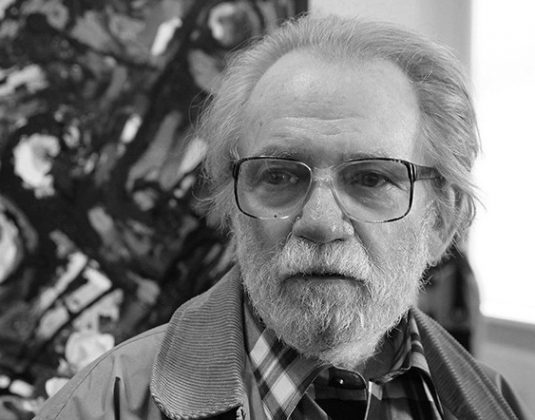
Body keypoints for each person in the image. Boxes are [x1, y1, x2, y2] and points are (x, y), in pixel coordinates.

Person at [34, 14, 529, 420]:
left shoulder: (493, 403)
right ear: (232, 205)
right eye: (278, 176)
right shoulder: (99, 407)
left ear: (441, 220)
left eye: (371, 179)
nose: (321, 222)